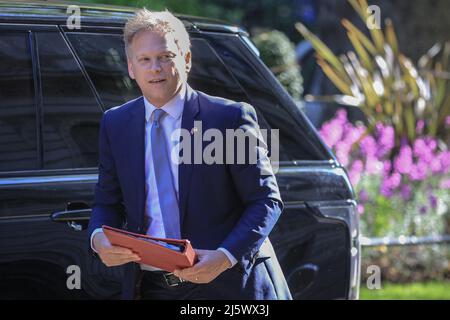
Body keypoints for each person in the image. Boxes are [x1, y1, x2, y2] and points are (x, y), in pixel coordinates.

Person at [87, 8, 292, 300]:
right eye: (144, 60)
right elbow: (106, 201)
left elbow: (265, 201)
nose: (155, 68)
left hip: (227, 286)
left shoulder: (227, 118)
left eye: (165, 57)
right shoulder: (116, 123)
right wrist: (98, 241)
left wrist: (224, 257)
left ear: (186, 59)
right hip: (150, 287)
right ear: (131, 68)